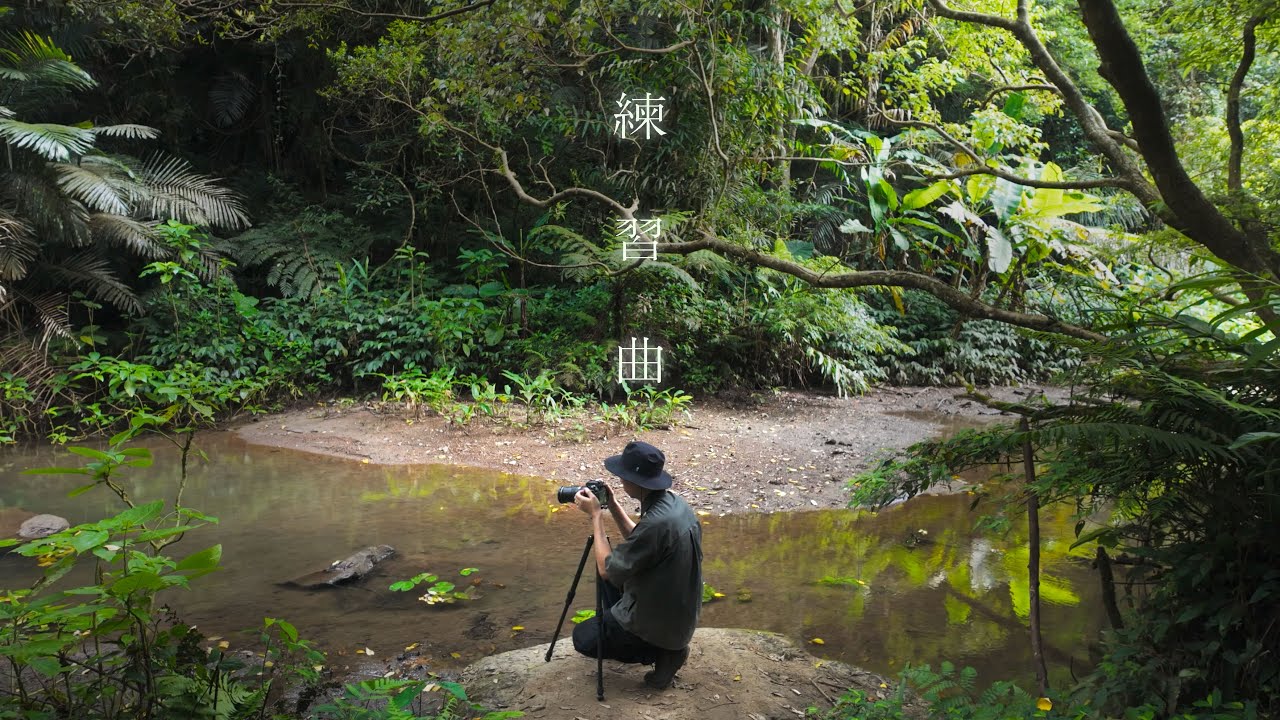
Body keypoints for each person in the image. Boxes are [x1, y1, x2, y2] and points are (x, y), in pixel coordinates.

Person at [571, 440, 703, 689]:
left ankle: (660, 653)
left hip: (661, 624)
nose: (620, 481)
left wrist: (596, 516)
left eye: (622, 476)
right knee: (612, 567)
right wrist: (612, 505)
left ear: (635, 481)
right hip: (678, 613)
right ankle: (652, 641)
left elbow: (606, 569)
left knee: (583, 637)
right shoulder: (673, 505)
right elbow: (640, 538)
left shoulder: (656, 524)